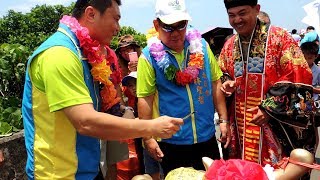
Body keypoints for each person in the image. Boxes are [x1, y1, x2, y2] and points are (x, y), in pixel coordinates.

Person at [21, 0, 184, 179]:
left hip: (85, 167)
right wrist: (150, 127)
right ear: (91, 14)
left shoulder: (82, 51)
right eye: (115, 19)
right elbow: (85, 121)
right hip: (57, 174)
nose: (118, 28)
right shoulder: (59, 53)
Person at [136, 0, 230, 176]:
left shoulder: (201, 46)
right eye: (169, 27)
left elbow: (216, 82)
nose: (176, 33)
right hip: (173, 143)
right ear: (156, 25)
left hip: (207, 137)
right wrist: (147, 137)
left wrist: (224, 121)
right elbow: (145, 99)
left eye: (181, 25)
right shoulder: (148, 57)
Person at [219, 0, 314, 168]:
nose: (237, 20)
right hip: (240, 128)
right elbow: (223, 72)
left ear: (256, 9)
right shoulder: (229, 45)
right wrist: (226, 83)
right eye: (231, 15)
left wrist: (269, 108)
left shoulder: (280, 38)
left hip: (272, 126)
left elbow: (299, 74)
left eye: (242, 13)